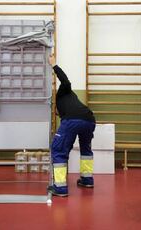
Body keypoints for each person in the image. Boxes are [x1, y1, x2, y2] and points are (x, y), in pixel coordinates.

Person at [47, 55, 96, 197]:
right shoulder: (70, 101)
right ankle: (87, 180)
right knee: (86, 149)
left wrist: (54, 65)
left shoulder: (63, 92)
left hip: (73, 120)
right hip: (89, 120)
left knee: (58, 149)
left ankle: (60, 188)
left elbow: (66, 81)